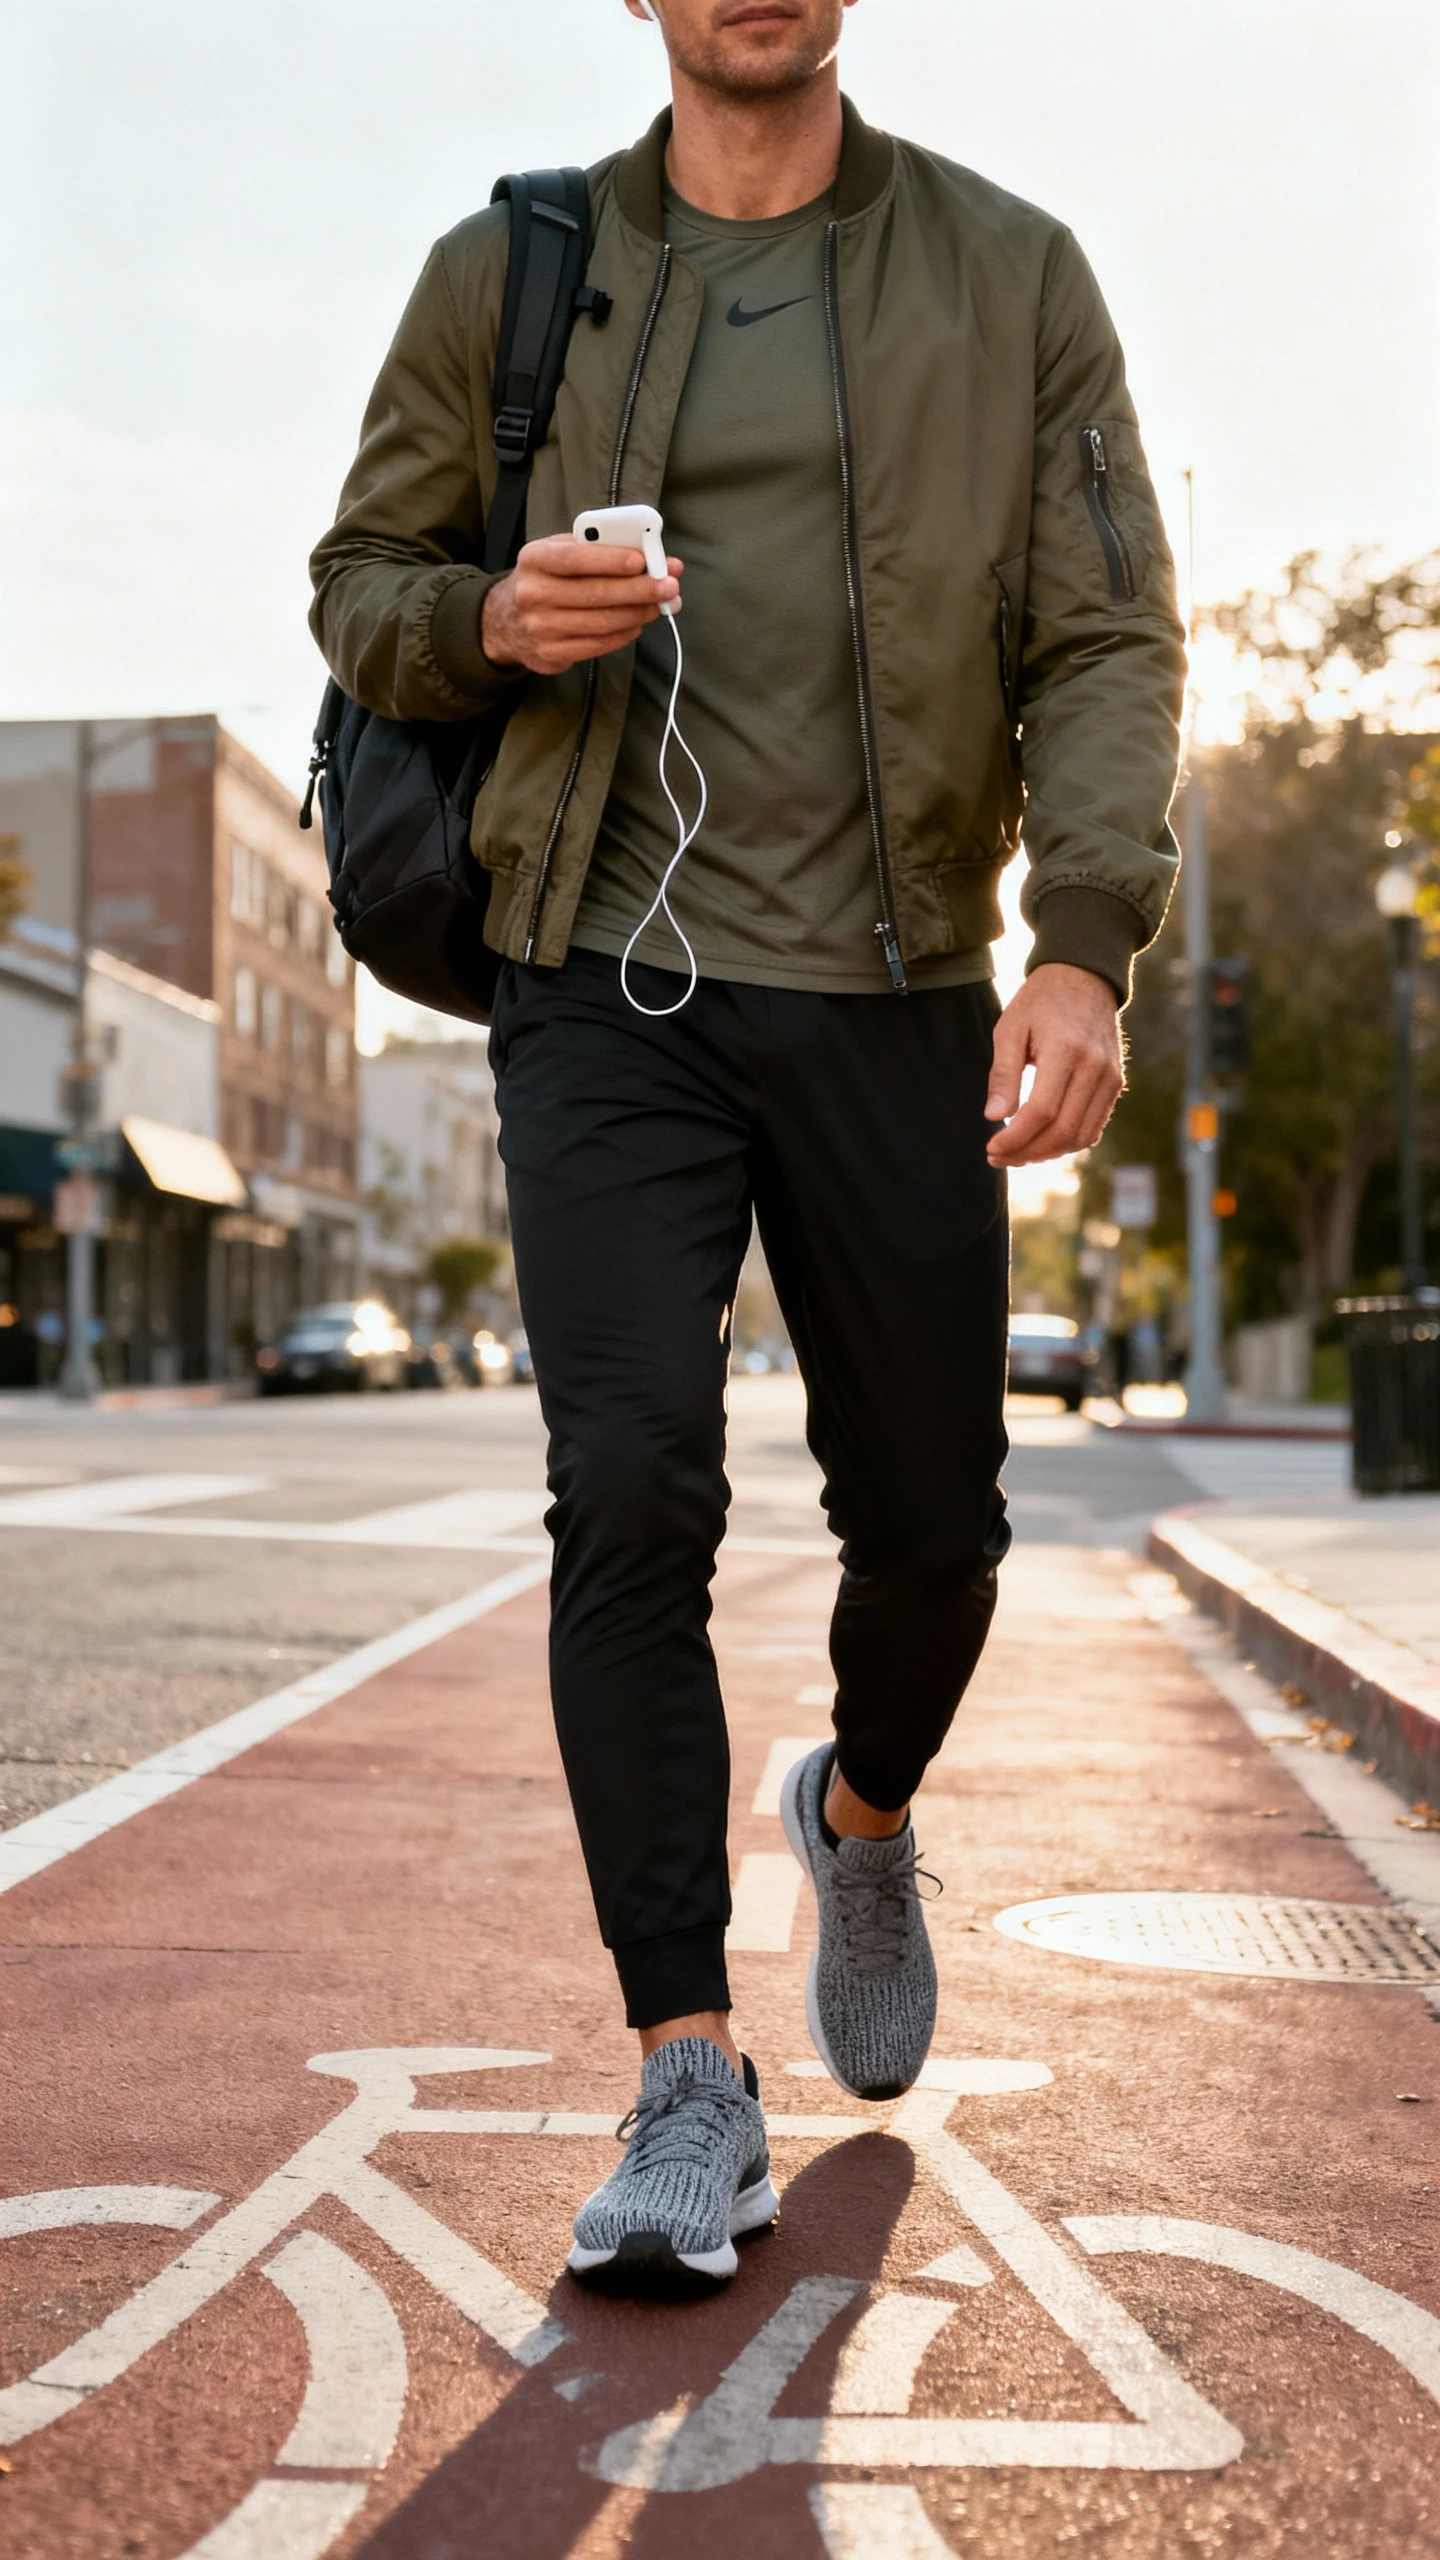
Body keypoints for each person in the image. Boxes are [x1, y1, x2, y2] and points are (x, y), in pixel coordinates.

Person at [310, 0, 1185, 2291]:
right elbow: (360, 590)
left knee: (937, 1522)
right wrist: (495, 613)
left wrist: (1082, 943)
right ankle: (686, 2063)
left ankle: (862, 1805)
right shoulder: (513, 272)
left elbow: (1110, 631)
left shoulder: (1013, 277)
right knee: (631, 1483)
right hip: (602, 980)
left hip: (899, 986)